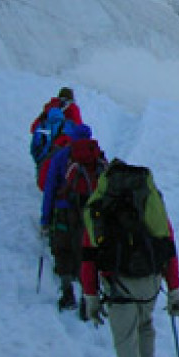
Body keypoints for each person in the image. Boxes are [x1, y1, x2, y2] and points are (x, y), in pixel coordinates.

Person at [80, 160, 179, 357]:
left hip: (118, 284)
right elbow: (168, 244)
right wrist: (174, 290)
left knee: (125, 339)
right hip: (150, 282)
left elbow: (89, 256)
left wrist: (91, 296)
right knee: (145, 326)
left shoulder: (100, 205)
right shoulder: (149, 201)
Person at [41, 125, 106, 312]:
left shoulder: (62, 156)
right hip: (89, 213)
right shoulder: (97, 155)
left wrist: (45, 218)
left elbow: (50, 187)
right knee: (86, 254)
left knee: (62, 250)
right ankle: (88, 300)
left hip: (64, 211)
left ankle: (67, 293)